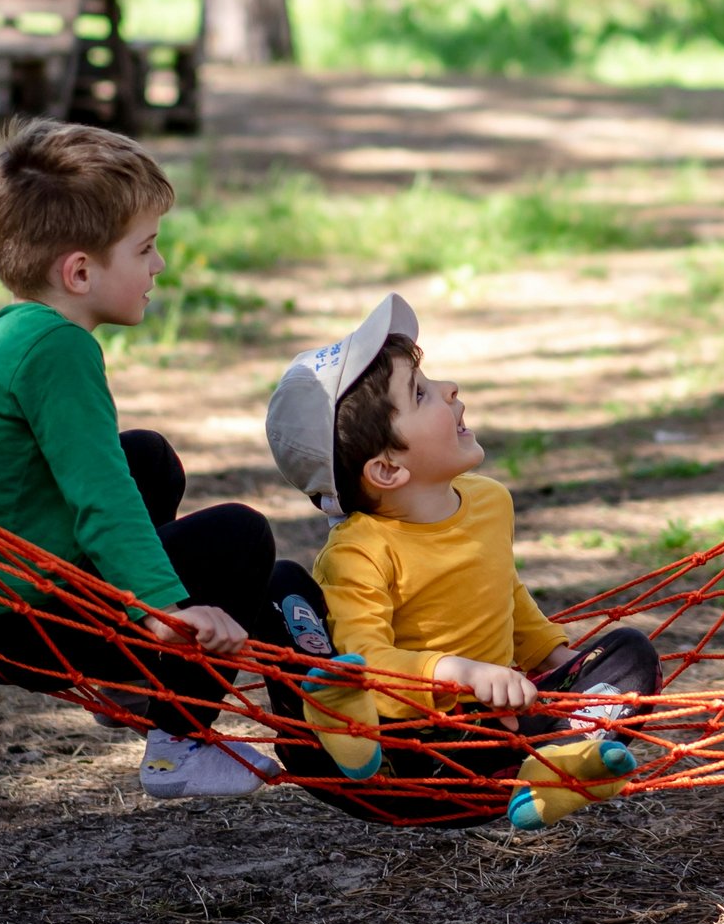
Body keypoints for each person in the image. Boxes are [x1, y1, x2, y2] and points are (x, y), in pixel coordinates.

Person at [0, 120, 290, 801]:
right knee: (241, 535)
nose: (159, 265)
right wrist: (168, 611)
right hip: (21, 621)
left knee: (149, 456)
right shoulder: (61, 351)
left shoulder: (14, 331)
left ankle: (128, 676)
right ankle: (181, 739)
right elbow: (100, 496)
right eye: (145, 248)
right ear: (80, 270)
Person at [264, 294, 660, 828]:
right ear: (387, 469)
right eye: (421, 394)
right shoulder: (359, 551)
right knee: (281, 586)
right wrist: (460, 674)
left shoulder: (488, 500)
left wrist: (553, 656)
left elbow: (503, 590)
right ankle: (334, 724)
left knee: (630, 653)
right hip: (415, 756)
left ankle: (558, 763)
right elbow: (368, 663)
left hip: (506, 732)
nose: (449, 389)